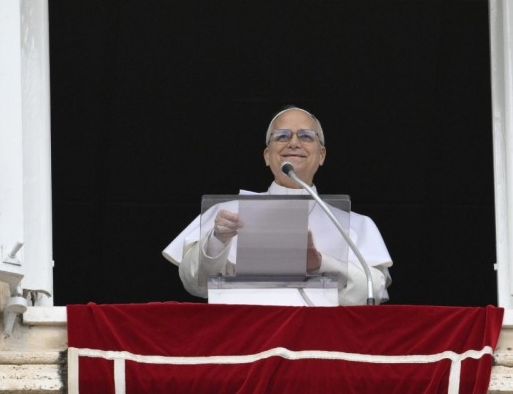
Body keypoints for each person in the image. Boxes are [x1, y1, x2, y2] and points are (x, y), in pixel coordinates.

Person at [162, 106, 392, 305]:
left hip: (319, 335)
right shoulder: (226, 214)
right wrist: (217, 240)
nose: (294, 143)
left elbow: (373, 292)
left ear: (322, 155)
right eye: (282, 136)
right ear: (266, 155)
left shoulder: (355, 224)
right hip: (244, 333)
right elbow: (195, 285)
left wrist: (320, 263)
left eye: (306, 136)